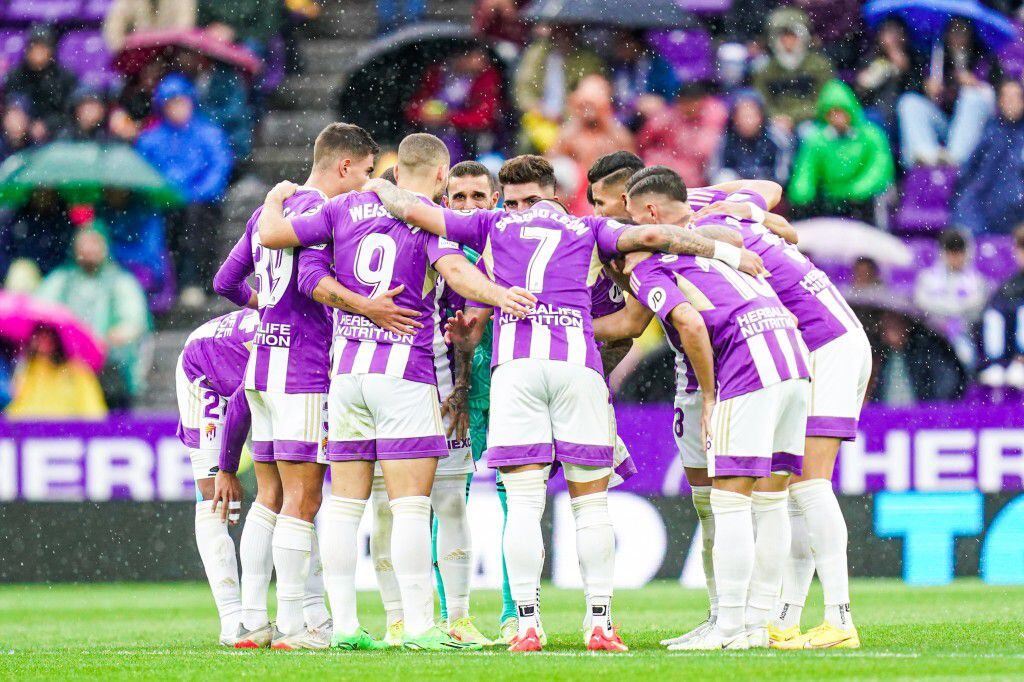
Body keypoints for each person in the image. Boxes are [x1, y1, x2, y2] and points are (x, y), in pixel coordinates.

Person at [364, 154, 766, 653]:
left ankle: (528, 624)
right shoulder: (586, 226)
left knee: (526, 506)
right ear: (553, 193)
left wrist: (374, 187)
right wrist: (726, 250)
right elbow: (653, 237)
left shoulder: (491, 224)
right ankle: (599, 622)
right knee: (591, 504)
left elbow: (409, 208)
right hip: (577, 367)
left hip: (516, 371)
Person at [258, 133, 536, 652]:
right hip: (404, 375)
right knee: (412, 506)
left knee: (345, 506)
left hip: (346, 376)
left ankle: (343, 626)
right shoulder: (426, 218)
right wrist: (501, 295)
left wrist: (275, 197)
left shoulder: (341, 208)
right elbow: (455, 272)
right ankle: (419, 626)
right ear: (439, 175)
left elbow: (274, 238)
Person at [595, 169, 811, 651]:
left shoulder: (654, 261)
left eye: (629, 213)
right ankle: (757, 622)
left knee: (729, 503)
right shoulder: (721, 238)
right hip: (792, 360)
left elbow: (689, 323)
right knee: (771, 501)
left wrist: (711, 395)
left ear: (649, 212)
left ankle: (729, 624)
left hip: (746, 368)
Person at [214, 122, 411, 651]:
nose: (369, 183)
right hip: (304, 372)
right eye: (367, 172)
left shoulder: (269, 211)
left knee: (270, 498)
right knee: (303, 503)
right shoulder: (325, 217)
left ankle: (252, 622)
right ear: (345, 166)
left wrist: (268, 311)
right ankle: (297, 628)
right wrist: (365, 305)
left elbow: (224, 283)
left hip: (262, 368)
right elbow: (308, 282)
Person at [174, 309, 258, 645]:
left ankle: (291, 615)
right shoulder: (287, 336)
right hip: (204, 371)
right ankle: (233, 621)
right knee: (213, 496)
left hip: (249, 379)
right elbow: (240, 401)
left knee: (287, 491)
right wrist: (226, 469)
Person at [136, 74, 233, 306]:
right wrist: (165, 194)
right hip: (164, 203)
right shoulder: (150, 139)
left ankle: (198, 281)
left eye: (181, 101)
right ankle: (168, 283)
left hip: (200, 202)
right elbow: (143, 173)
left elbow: (220, 167)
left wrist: (196, 193)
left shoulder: (208, 133)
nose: (177, 108)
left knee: (196, 225)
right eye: (171, 103)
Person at [35, 229, 150, 409]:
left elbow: (133, 323)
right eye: (84, 243)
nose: (89, 249)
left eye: (94, 243)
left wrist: (102, 342)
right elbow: (40, 313)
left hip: (107, 364)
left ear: (105, 247)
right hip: (65, 363)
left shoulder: (121, 281)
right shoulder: (60, 280)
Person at [896, 18, 998, 167]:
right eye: (953, 31)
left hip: (973, 132)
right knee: (909, 102)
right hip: (943, 124)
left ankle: (954, 160)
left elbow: (996, 100)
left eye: (962, 31)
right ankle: (925, 155)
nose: (957, 37)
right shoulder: (935, 58)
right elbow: (911, 85)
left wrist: (976, 84)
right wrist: (925, 88)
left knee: (972, 96)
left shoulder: (984, 60)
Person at [788, 80, 894, 221]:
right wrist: (802, 194)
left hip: (863, 201)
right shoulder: (817, 140)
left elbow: (879, 169)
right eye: (831, 113)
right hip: (830, 200)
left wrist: (856, 190)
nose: (836, 117)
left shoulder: (871, 136)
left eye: (840, 112)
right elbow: (806, 170)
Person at [514, 24, 605, 153]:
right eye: (558, 31)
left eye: (566, 32)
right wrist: (538, 109)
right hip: (539, 118)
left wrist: (566, 115)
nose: (562, 37)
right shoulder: (537, 54)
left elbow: (589, 95)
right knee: (526, 145)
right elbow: (524, 89)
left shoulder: (587, 59)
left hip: (573, 121)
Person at [405, 48, 503, 162]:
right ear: (460, 57)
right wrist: (423, 114)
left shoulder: (487, 77)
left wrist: (448, 117)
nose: (482, 61)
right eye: (476, 56)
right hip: (432, 137)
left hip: (470, 140)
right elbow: (414, 108)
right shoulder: (437, 74)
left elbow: (483, 117)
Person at [952, 79, 1024, 235]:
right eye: (1006, 97)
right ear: (1000, 102)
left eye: (1016, 97)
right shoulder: (989, 134)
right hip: (984, 213)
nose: (1011, 102)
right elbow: (969, 175)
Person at [752, 7, 835, 135]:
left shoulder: (819, 66)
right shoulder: (766, 69)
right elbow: (762, 100)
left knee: (808, 133)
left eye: (793, 36)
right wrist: (775, 117)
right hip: (777, 122)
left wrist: (795, 118)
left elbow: (825, 99)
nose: (788, 42)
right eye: (783, 37)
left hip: (811, 120)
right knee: (775, 135)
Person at [913, 229, 987, 367]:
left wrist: (949, 311)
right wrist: (952, 311)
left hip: (967, 333)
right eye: (951, 252)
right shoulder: (928, 277)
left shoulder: (976, 280)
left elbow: (979, 304)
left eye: (959, 252)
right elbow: (921, 303)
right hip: (934, 336)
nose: (955, 258)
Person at [5, 326, 107, 419]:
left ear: (58, 339)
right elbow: (18, 409)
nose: (44, 340)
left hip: (68, 433)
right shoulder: (25, 369)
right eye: (39, 334)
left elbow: (91, 408)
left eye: (49, 334)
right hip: (31, 432)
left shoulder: (77, 370)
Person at [637, 82, 727, 188]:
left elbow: (702, 152)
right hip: (668, 163)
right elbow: (643, 141)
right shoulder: (669, 116)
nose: (685, 108)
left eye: (689, 104)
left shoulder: (713, 116)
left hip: (697, 173)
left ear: (700, 102)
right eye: (682, 104)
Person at [550, 76, 636, 184]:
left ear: (605, 106)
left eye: (593, 105)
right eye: (584, 106)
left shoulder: (618, 136)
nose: (588, 111)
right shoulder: (568, 134)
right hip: (578, 192)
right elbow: (552, 167)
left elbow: (632, 171)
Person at [4, 25, 78, 144]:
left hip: (57, 133)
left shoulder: (65, 77)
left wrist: (47, 125)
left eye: (42, 48)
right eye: (34, 48)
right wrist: (27, 123)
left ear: (51, 51)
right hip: (23, 130)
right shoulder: (15, 76)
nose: (38, 53)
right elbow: (13, 105)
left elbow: (70, 111)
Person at [854, 17, 923, 139]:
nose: (894, 38)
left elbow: (916, 94)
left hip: (901, 116)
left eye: (898, 32)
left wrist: (905, 72)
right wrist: (865, 85)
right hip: (876, 112)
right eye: (889, 32)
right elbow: (861, 97)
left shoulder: (915, 59)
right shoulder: (871, 59)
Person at [977, 224, 1024, 388]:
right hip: (1008, 354)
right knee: (993, 315)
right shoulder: (1009, 285)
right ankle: (996, 363)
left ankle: (1021, 361)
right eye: (1021, 247)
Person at [709, 90, 790, 185]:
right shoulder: (725, 140)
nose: (747, 121)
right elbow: (714, 173)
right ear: (734, 118)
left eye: (751, 115)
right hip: (735, 192)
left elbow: (782, 175)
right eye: (742, 116)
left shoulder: (776, 138)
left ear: (761, 116)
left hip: (767, 190)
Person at [605, 31, 679, 127]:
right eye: (618, 44)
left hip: (653, 117)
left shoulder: (658, 65)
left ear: (636, 44)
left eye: (624, 44)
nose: (619, 49)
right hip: (623, 118)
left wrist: (656, 102)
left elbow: (671, 96)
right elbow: (616, 97)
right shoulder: (618, 66)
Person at [103, 0, 197, 52]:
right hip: (139, 61)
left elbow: (184, 32)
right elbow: (113, 35)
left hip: (171, 59)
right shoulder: (128, 2)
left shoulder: (182, 2)